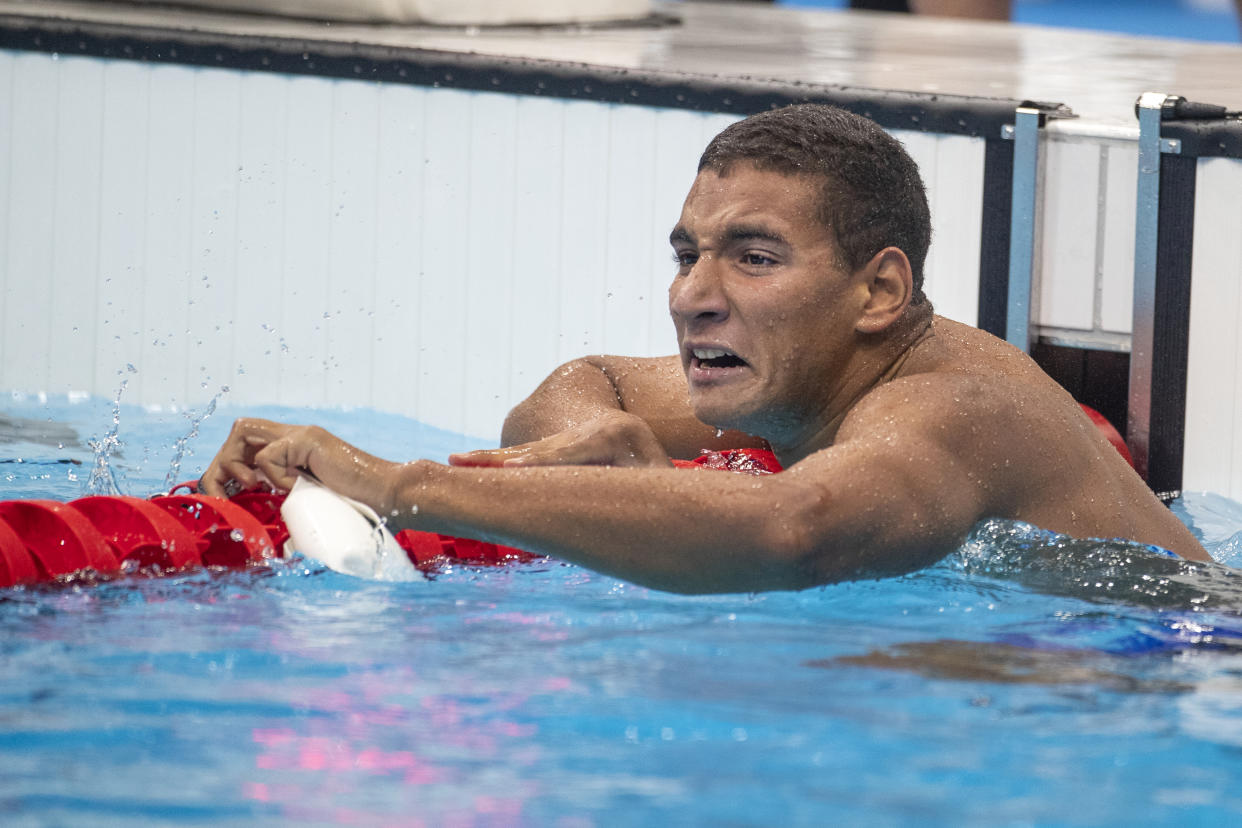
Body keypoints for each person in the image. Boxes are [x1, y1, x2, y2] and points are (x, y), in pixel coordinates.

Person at [200, 104, 1210, 593]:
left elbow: (792, 528)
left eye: (754, 257)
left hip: (1183, 663)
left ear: (880, 290)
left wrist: (403, 487)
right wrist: (603, 436)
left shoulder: (951, 406)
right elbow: (580, 383)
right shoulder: (803, 374)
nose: (693, 296)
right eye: (690, 254)